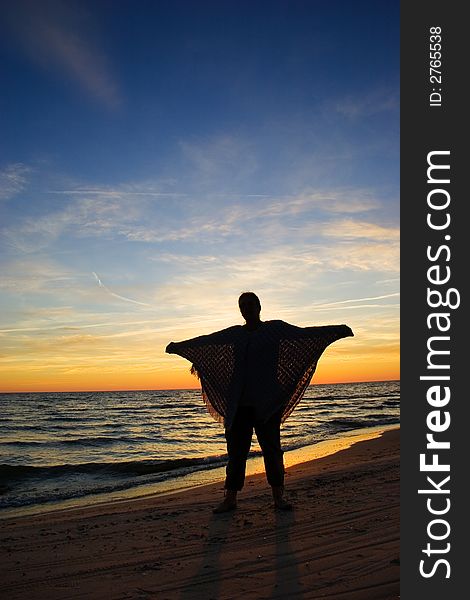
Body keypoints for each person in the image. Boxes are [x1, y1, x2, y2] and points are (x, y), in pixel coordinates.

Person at [166, 292, 353, 513]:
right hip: (239, 405)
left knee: (272, 450)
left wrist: (336, 330)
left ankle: (278, 498)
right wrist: (180, 346)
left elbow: (303, 335)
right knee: (236, 453)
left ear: (259, 306)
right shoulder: (235, 334)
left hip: (267, 404)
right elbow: (208, 341)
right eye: (242, 305)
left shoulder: (275, 330)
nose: (246, 308)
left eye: (250, 304)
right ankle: (230, 499)